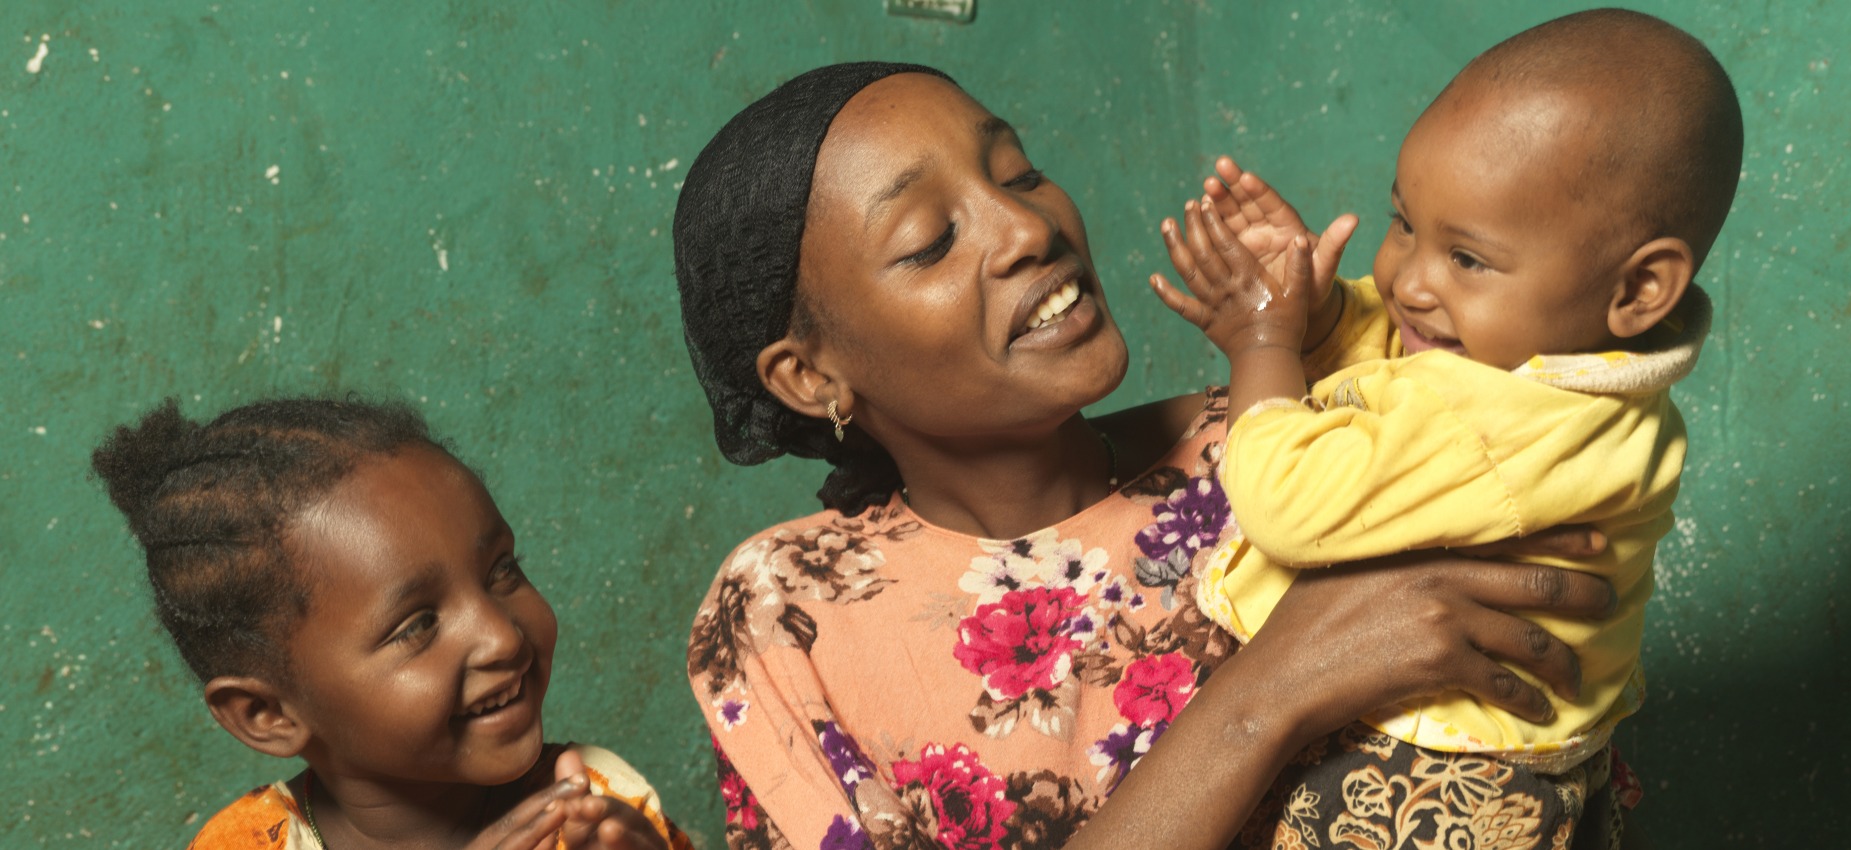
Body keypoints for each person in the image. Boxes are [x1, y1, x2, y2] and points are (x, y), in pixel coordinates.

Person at [675, 62, 1627, 850]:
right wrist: (1274, 690)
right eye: (931, 242)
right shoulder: (781, 614)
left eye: (1018, 174)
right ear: (810, 377)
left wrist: (1317, 330)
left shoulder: (1303, 440)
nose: (1029, 230)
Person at [1149, 8, 1739, 844]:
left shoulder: (1502, 426)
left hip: (1418, 781)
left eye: (1466, 258)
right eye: (1404, 224)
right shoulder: (1571, 376)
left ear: (1641, 290)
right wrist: (1316, 319)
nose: (1408, 281)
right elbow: (1403, 375)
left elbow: (1284, 502)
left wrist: (1263, 344)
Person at [91, 397, 692, 850]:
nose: (503, 636)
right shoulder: (248, 843)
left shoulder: (596, 810)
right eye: (416, 625)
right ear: (267, 715)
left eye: (502, 569)